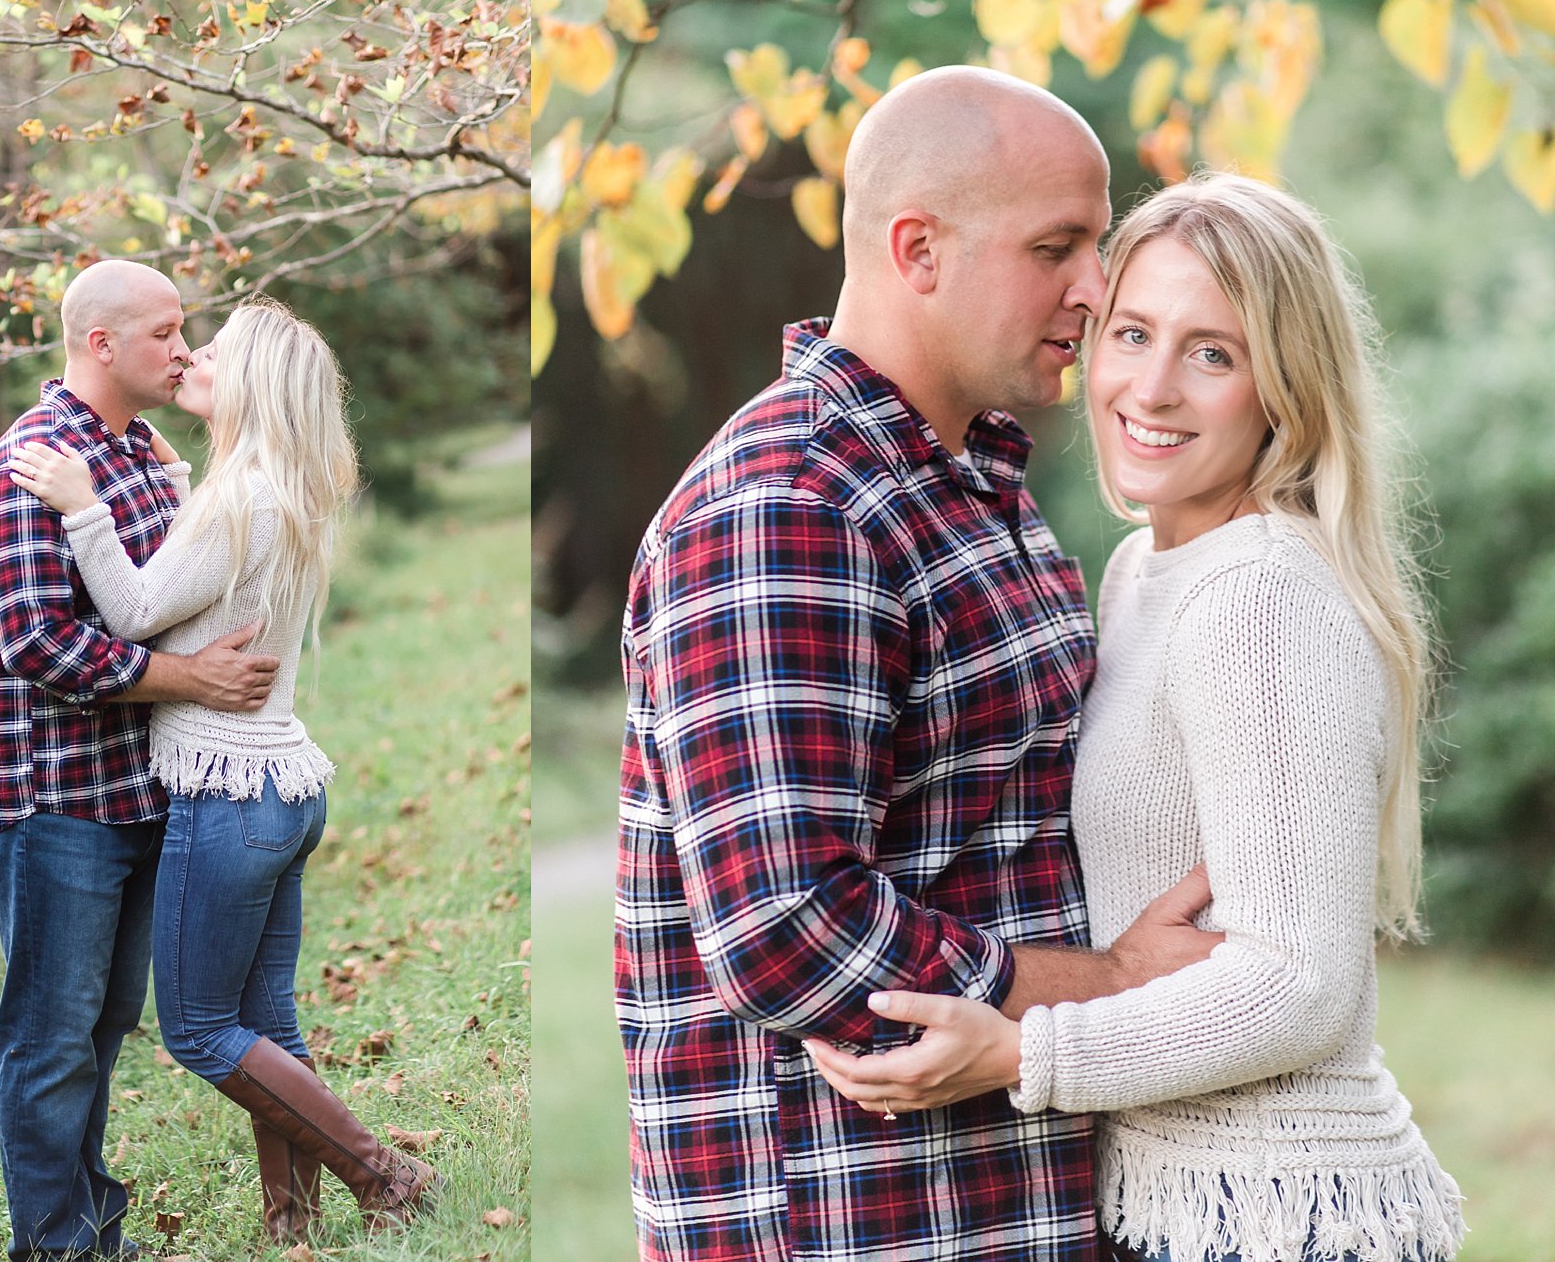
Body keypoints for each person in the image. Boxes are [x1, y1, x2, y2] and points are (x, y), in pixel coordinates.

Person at [616, 65, 1223, 1262]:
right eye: (1056, 246)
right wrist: (1107, 983)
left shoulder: (968, 482)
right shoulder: (790, 509)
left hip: (999, 1198)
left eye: (1095, 246)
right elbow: (790, 928)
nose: (1095, 291)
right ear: (917, 249)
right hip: (858, 1221)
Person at [805, 173, 1466, 1262]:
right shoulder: (1145, 567)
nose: (1150, 388)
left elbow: (1298, 983)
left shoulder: (1256, 593)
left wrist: (1022, 1051)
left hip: (1280, 1210)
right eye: (1131, 333)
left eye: (1212, 353)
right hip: (1184, 1206)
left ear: (1282, 391)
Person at [7, 297, 438, 1244]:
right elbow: (196, 588)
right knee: (266, 1021)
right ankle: (295, 1224)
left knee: (199, 1029)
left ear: (251, 383)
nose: (192, 353)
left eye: (214, 349)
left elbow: (128, 612)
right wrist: (167, 482)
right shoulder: (274, 487)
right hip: (284, 788)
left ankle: (383, 1174)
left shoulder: (236, 496)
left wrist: (83, 506)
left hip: (227, 794)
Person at [0, 258, 279, 1262]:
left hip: (137, 789)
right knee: (51, 1038)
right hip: (52, 800)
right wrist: (189, 681)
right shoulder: (28, 463)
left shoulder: (142, 449)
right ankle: (55, 1247)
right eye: (164, 331)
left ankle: (91, 1229)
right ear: (99, 343)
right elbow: (37, 644)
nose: (183, 348)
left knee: (99, 1031)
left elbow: (156, 590)